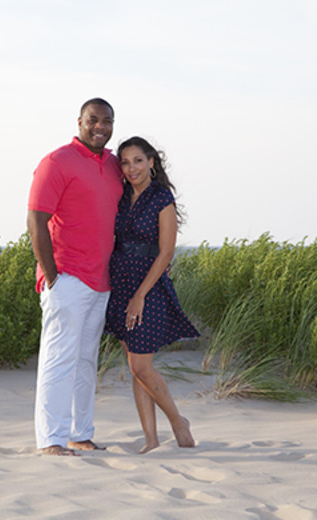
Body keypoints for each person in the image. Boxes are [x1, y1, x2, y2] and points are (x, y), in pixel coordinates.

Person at [27, 98, 124, 456]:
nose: (100, 127)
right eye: (93, 120)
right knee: (58, 359)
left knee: (86, 361)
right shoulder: (56, 162)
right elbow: (36, 220)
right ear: (80, 121)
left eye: (107, 121)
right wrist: (53, 277)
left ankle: (80, 433)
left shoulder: (114, 165)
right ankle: (50, 440)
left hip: (101, 281)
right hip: (68, 278)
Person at [105, 136, 200, 454]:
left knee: (141, 366)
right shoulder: (120, 197)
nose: (131, 168)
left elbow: (166, 251)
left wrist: (140, 295)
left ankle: (177, 422)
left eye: (138, 160)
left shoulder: (162, 198)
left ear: (151, 162)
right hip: (119, 282)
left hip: (149, 286)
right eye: (126, 162)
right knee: (134, 364)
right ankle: (150, 439)